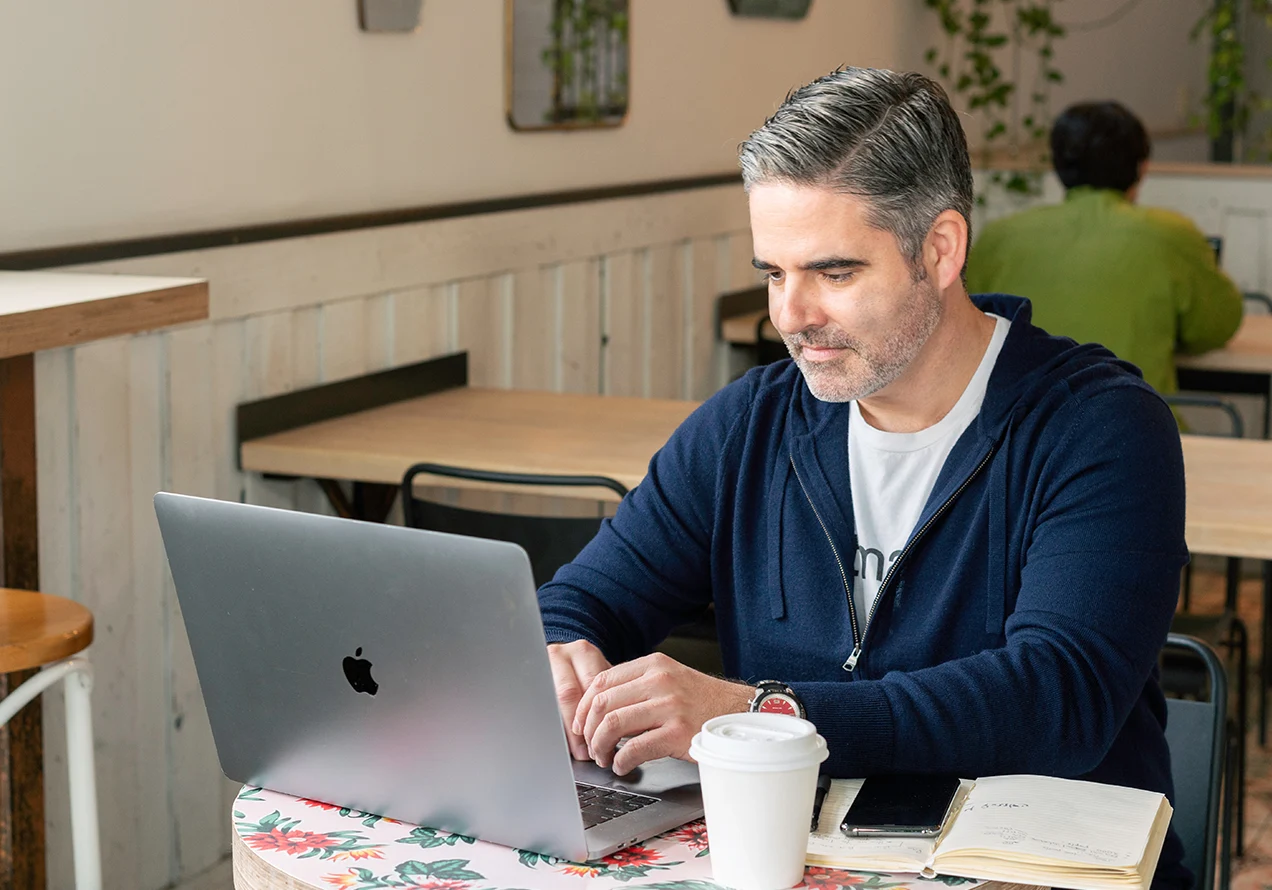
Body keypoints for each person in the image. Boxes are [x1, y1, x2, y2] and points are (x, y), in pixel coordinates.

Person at [539, 68, 1189, 889]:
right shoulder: (752, 421)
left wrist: (758, 713)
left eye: (833, 273)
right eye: (773, 272)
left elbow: (1055, 698)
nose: (791, 315)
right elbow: (577, 603)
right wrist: (562, 656)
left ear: (941, 249)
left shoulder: (1100, 428)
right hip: (803, 863)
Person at [967, 100, 1242, 395]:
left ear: (1058, 164)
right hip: (1139, 425)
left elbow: (968, 328)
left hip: (1020, 429)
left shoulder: (1000, 237)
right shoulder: (1172, 235)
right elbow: (1215, 327)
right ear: (1141, 168)